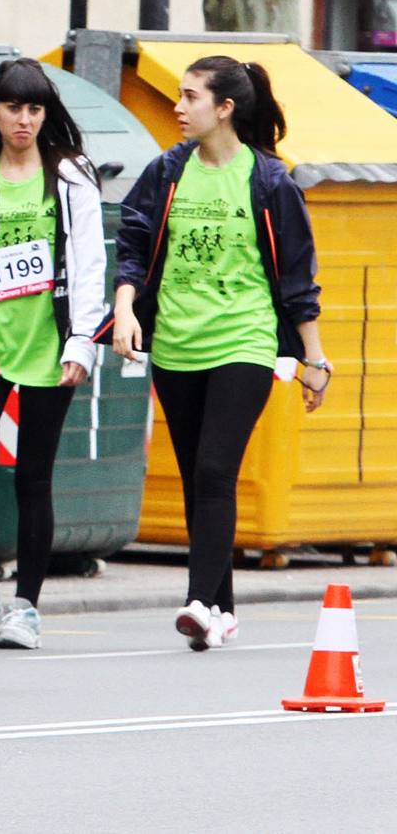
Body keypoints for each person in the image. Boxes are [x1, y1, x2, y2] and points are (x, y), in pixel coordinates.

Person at [108, 56, 327, 651]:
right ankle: (224, 608)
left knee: (213, 471)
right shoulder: (168, 172)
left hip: (245, 340)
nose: (178, 108)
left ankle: (200, 603)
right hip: (178, 345)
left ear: (224, 108)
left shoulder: (270, 181)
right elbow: (132, 242)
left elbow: (298, 279)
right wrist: (126, 309)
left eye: (189, 97)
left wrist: (315, 359)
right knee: (199, 478)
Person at [0, 59, 107, 650]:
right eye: (13, 107)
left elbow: (89, 259)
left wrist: (81, 342)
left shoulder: (67, 174)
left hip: (50, 342)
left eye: (34, 109)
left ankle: (27, 607)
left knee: (34, 477)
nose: (24, 119)